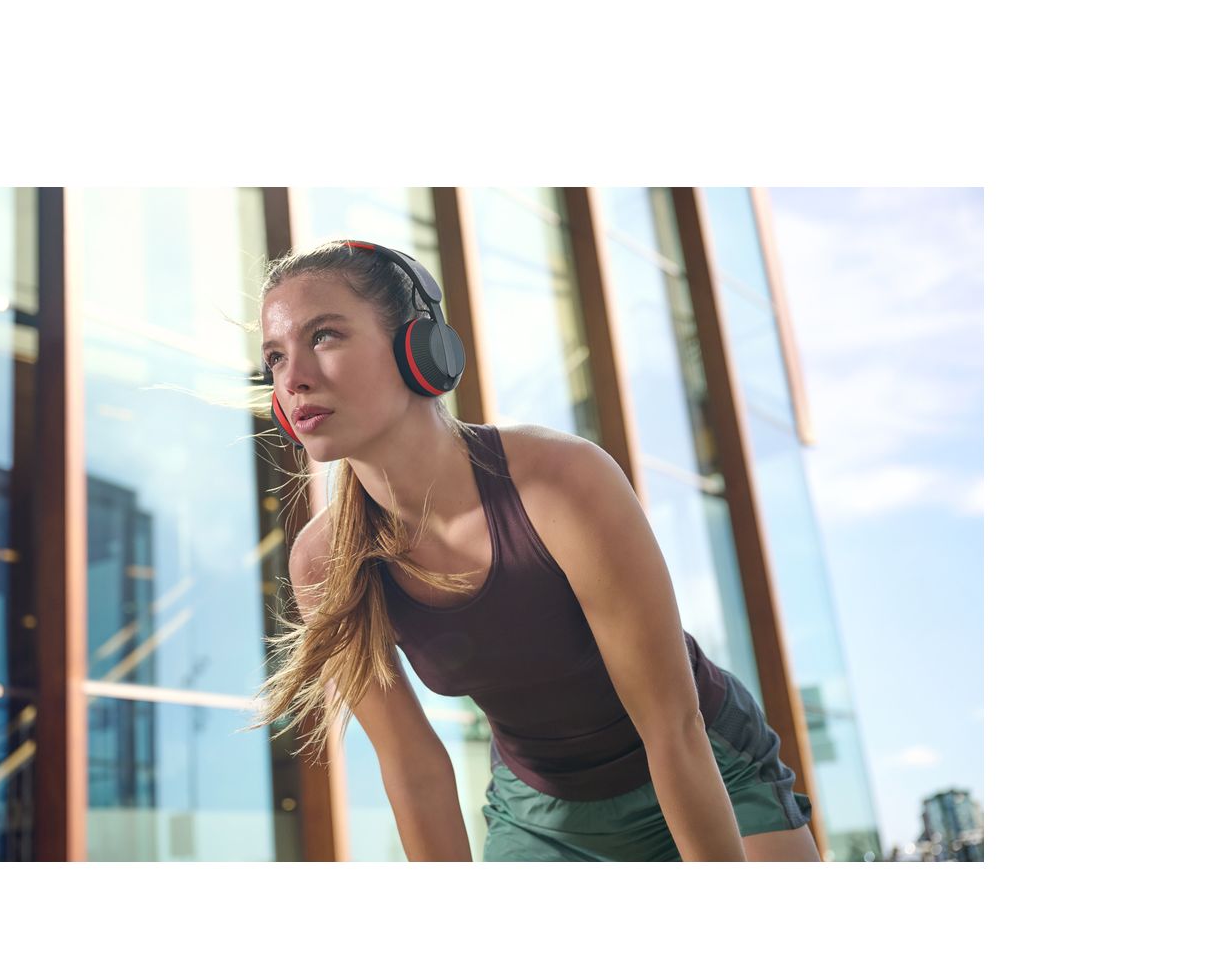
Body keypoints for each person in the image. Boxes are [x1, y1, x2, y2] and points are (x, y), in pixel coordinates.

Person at [246, 238, 819, 862]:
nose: (294, 377)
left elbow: (672, 728)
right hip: (540, 812)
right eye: (275, 357)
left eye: (324, 336)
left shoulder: (560, 481)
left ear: (420, 347)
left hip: (708, 763)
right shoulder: (323, 561)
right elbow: (413, 767)